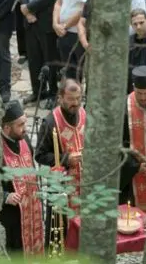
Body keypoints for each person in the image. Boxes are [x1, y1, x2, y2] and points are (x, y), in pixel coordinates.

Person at [34, 79, 86, 239]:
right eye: (71, 99)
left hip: (84, 185)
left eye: (78, 98)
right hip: (62, 188)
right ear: (60, 98)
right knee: (61, 232)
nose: (75, 103)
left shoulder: (83, 114)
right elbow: (40, 155)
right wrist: (66, 159)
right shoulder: (50, 122)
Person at [20, 0, 64, 104]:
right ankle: (37, 90)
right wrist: (26, 10)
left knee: (50, 58)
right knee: (34, 57)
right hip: (29, 20)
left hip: (45, 20)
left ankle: (53, 92)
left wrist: (30, 8)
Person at [0, 101, 44, 257]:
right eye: (20, 125)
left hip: (31, 211)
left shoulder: (23, 141)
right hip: (11, 217)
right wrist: (6, 196)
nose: (26, 128)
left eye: (25, 122)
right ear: (6, 128)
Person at [118, 65, 146, 210]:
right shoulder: (123, 109)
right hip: (132, 180)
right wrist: (136, 167)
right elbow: (118, 146)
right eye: (139, 93)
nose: (143, 97)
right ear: (133, 87)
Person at [53, 0, 90, 83]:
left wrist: (64, 26)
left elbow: (82, 11)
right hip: (63, 32)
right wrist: (55, 24)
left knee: (78, 69)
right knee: (67, 68)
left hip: (76, 34)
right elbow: (58, 3)